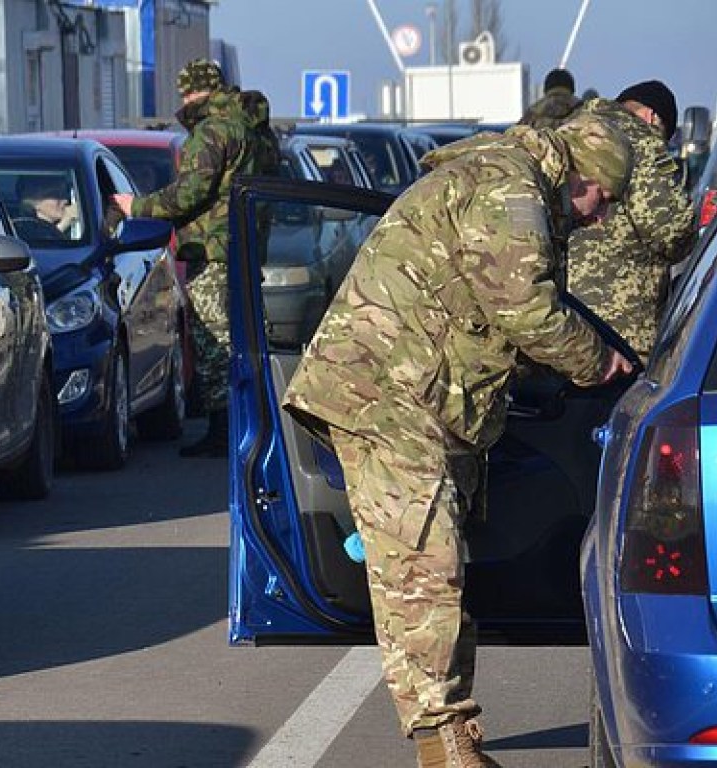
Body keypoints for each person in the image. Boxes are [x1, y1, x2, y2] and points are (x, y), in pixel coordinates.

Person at [281, 113, 635, 768]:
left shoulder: (514, 181)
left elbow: (486, 309)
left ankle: (453, 736)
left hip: (418, 397)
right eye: (602, 199)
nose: (602, 217)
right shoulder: (510, 188)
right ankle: (442, 744)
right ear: (580, 176)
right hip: (385, 396)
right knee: (425, 569)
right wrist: (600, 364)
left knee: (436, 568)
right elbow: (525, 309)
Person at [111, 59, 280, 458]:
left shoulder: (211, 132)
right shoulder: (253, 129)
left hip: (213, 250)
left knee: (213, 341)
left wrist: (136, 206)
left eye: (185, 93)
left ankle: (224, 431)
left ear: (192, 92)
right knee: (244, 339)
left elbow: (190, 194)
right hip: (246, 247)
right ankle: (252, 423)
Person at [567, 80, 697, 359]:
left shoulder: (572, 130)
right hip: (619, 327)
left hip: (561, 320)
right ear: (652, 117)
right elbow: (672, 230)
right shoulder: (641, 141)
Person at [14, 174, 78, 243]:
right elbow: (40, 247)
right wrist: (65, 222)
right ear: (34, 202)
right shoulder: (24, 228)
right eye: (56, 195)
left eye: (65, 194)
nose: (65, 200)